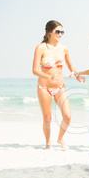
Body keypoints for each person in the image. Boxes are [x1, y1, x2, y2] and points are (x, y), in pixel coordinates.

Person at [32, 20, 76, 149]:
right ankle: (48, 142)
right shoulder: (41, 48)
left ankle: (60, 138)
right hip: (44, 87)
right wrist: (49, 76)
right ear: (49, 32)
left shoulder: (64, 49)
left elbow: (71, 67)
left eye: (62, 32)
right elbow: (35, 70)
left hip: (60, 87)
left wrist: (76, 75)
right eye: (57, 31)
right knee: (47, 119)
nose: (60, 34)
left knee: (67, 116)